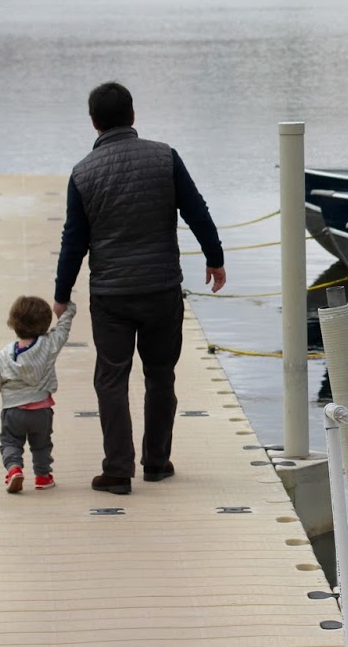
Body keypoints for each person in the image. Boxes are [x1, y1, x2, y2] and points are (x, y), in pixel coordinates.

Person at [54, 81, 226, 496]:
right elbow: (196, 210)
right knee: (160, 375)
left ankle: (117, 470)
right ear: (133, 116)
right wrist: (215, 257)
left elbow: (73, 241)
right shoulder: (165, 157)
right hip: (161, 288)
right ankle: (156, 462)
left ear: (93, 122)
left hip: (110, 296)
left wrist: (62, 293)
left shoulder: (82, 173)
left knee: (111, 379)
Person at [0, 295, 77, 493]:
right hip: (41, 409)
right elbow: (63, 329)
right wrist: (68, 309)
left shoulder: (6, 354)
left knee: (10, 442)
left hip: (13, 410)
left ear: (13, 324)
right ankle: (42, 477)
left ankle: (14, 469)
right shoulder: (49, 345)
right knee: (41, 445)